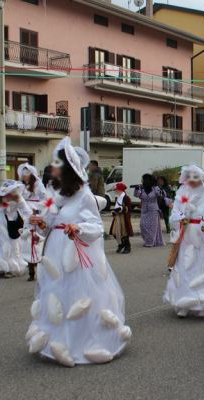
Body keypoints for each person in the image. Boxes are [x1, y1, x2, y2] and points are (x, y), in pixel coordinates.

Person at [26, 137, 130, 366]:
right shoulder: (57, 194)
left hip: (77, 254)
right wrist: (41, 223)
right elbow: (51, 223)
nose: (52, 168)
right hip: (56, 252)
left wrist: (78, 227)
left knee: (80, 296)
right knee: (58, 295)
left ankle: (82, 342)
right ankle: (57, 339)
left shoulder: (84, 196)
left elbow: (96, 227)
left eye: (57, 164)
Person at [163, 165, 204, 317]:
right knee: (185, 267)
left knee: (202, 267)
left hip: (202, 235)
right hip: (186, 235)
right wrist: (178, 217)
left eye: (196, 177)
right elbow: (173, 215)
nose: (192, 180)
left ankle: (203, 302)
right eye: (190, 177)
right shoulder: (181, 195)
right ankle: (184, 301)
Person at [16, 163, 47, 281]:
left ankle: (39, 266)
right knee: (28, 240)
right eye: (23, 175)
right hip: (26, 215)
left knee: (38, 240)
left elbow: (45, 199)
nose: (24, 176)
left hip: (37, 213)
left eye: (27, 174)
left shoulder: (38, 184)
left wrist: (39, 211)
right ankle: (31, 269)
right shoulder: (21, 186)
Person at [135, 174, 165, 247]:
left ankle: (150, 242)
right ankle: (148, 239)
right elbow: (137, 195)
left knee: (152, 227)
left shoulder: (155, 188)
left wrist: (160, 190)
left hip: (153, 210)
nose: (141, 181)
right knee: (143, 225)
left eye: (143, 179)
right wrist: (137, 189)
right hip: (144, 209)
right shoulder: (141, 189)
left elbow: (161, 195)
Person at [109, 182, 133, 254]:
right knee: (114, 232)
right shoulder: (118, 197)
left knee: (124, 233)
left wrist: (121, 209)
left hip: (123, 217)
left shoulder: (126, 198)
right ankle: (121, 244)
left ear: (120, 190)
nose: (115, 191)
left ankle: (127, 246)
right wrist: (114, 211)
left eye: (116, 189)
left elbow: (128, 208)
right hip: (117, 217)